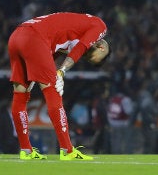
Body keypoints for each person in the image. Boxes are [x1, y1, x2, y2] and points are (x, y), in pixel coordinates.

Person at [8, 12, 111, 160]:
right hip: (34, 37)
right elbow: (81, 47)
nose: (86, 57)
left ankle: (26, 151)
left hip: (17, 36)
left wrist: (40, 73)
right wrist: (61, 72)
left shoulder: (73, 33)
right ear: (101, 47)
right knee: (53, 93)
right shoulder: (100, 26)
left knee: (20, 94)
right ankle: (67, 151)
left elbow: (50, 53)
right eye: (92, 57)